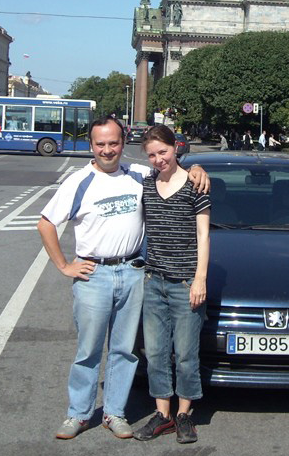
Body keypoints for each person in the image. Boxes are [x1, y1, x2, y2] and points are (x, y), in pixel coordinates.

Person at [37, 117, 209, 441]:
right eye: (100, 144)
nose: (107, 150)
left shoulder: (138, 175)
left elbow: (173, 170)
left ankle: (114, 412)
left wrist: (197, 167)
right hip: (94, 275)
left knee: (124, 350)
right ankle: (78, 414)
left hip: (132, 272)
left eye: (113, 143)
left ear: (122, 143)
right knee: (88, 350)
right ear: (91, 146)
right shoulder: (79, 182)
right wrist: (63, 266)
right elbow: (46, 223)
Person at [133, 126, 210, 445]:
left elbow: (204, 235)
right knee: (156, 352)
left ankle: (185, 415)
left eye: (162, 152)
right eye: (151, 155)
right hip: (154, 281)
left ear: (175, 148)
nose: (158, 159)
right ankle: (163, 413)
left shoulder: (196, 184)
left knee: (186, 354)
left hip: (185, 282)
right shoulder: (147, 184)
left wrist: (200, 279)